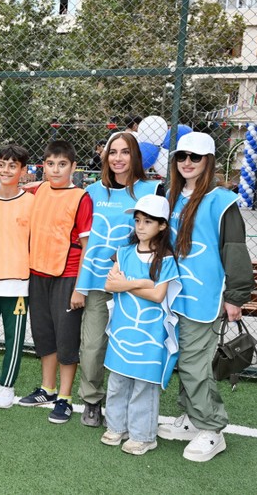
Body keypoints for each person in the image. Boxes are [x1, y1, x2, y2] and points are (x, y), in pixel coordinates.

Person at [157, 132, 254, 462]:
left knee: (194, 363)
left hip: (205, 296)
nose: (186, 162)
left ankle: (212, 428)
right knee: (183, 358)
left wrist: (236, 295)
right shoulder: (170, 194)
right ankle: (190, 419)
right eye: (181, 156)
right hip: (172, 294)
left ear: (208, 161)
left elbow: (235, 249)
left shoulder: (221, 200)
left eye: (194, 157)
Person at [74, 132, 162, 427]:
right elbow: (86, 243)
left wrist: (125, 259)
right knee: (93, 345)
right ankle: (91, 400)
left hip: (136, 286)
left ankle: (130, 407)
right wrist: (81, 286)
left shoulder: (153, 189)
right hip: (100, 282)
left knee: (133, 343)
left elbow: (160, 235)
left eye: (125, 152)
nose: (118, 158)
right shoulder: (92, 192)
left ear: (135, 156)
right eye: (113, 152)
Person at [101, 195, 181, 456]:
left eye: (148, 221)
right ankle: (116, 427)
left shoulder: (165, 258)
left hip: (151, 333)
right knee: (118, 381)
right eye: (137, 220)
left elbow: (160, 295)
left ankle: (144, 436)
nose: (141, 226)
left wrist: (127, 284)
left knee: (144, 386)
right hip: (123, 330)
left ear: (162, 226)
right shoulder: (123, 252)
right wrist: (143, 283)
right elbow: (110, 284)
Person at [19, 140, 92, 424]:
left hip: (68, 275)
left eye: (62, 164)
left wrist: (80, 287)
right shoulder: (37, 190)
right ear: (43, 166)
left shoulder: (81, 197)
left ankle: (65, 397)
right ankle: (47, 389)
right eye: (50, 164)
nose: (56, 169)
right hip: (38, 273)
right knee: (44, 334)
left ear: (74, 167)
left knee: (65, 339)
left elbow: (87, 246)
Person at [0, 145, 34, 408]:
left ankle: (7, 384)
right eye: (2, 164)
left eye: (13, 165)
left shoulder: (32, 203)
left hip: (18, 284)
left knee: (14, 337)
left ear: (23, 171)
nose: (5, 170)